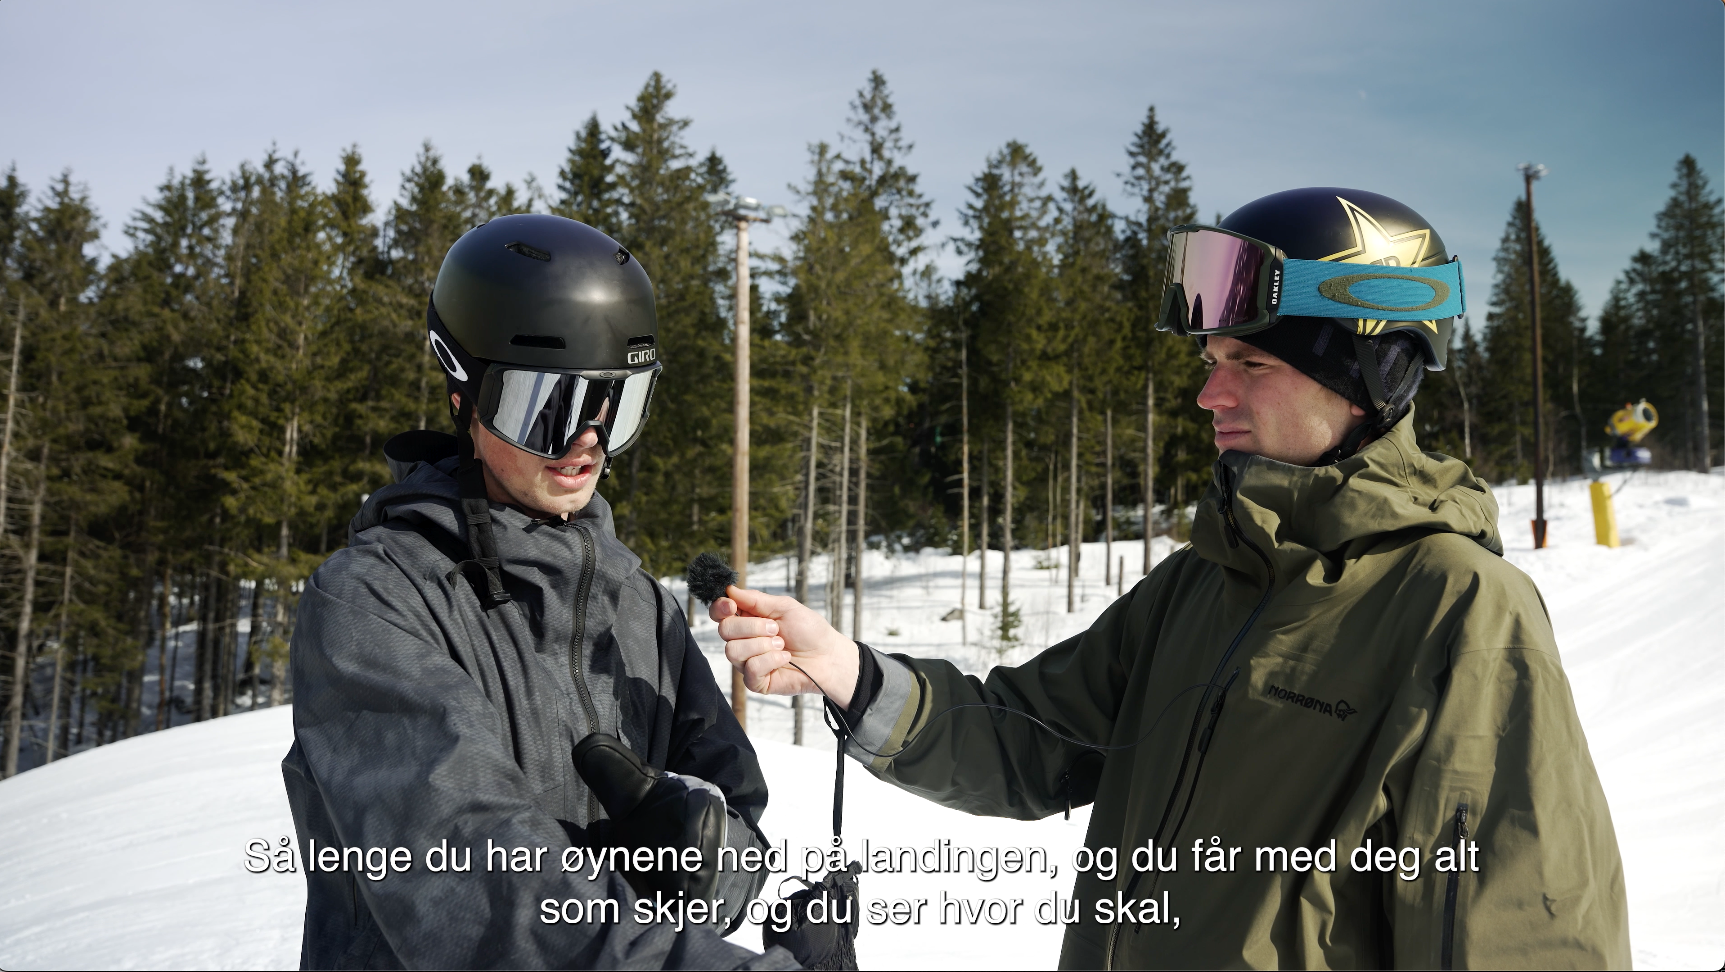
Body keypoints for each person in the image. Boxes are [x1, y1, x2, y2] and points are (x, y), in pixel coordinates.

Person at [715, 189, 1631, 969]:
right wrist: (850, 675)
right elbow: (1032, 740)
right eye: (1209, 363)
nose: (1210, 394)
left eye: (1251, 364)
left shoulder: (1456, 608)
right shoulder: (1203, 583)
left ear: (1369, 372)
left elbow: (1522, 929)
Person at [282, 214, 793, 970]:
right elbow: (472, 877)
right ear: (465, 399)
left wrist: (697, 857)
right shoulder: (373, 602)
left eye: (612, 406)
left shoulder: (640, 608)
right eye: (547, 408)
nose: (585, 441)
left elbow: (739, 828)